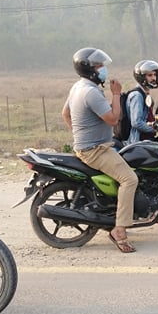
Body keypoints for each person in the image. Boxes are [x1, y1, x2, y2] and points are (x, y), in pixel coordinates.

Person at [62, 47, 139, 253]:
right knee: (130, 179)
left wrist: (78, 135)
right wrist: (115, 94)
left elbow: (65, 114)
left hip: (91, 145)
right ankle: (119, 230)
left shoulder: (78, 87)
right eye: (99, 66)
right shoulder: (90, 92)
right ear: (90, 69)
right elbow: (114, 119)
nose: (103, 69)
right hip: (96, 150)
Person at [126, 60, 158, 145]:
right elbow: (136, 122)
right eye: (150, 75)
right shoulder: (137, 95)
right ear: (141, 77)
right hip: (139, 143)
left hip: (147, 139)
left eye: (155, 75)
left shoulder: (145, 94)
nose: (153, 78)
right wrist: (155, 129)